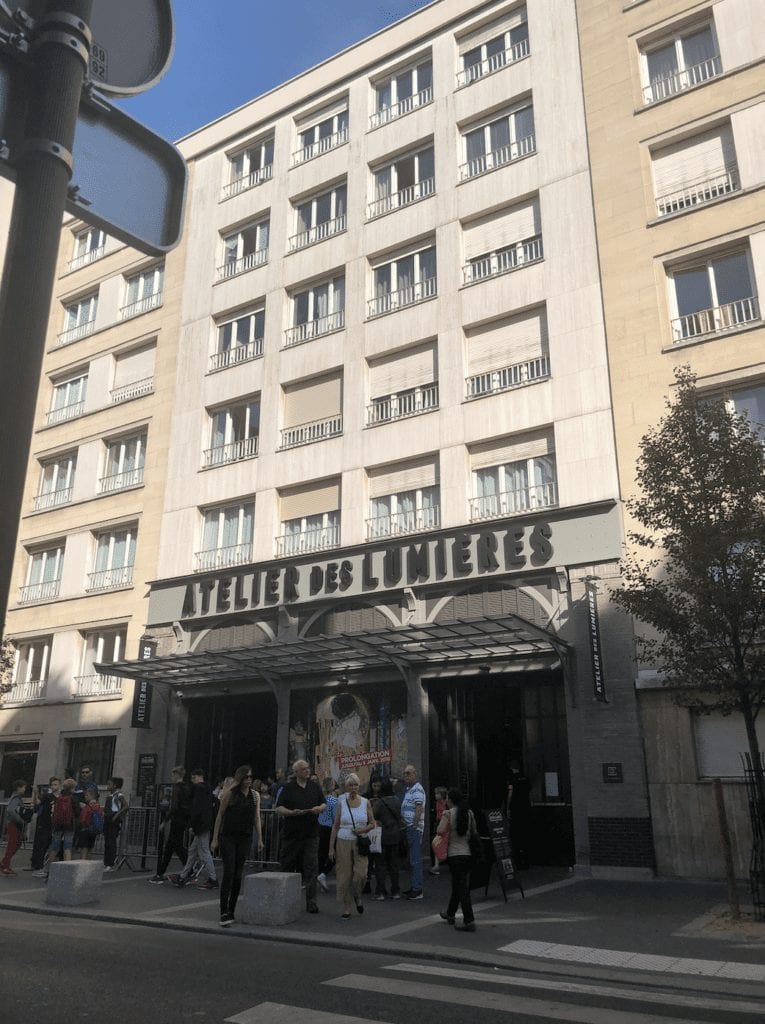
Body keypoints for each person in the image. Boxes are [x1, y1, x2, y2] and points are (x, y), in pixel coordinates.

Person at [211, 765, 262, 926]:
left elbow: (257, 817)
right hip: (229, 836)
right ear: (240, 778)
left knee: (238, 874)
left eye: (250, 777)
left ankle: (231, 909)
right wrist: (215, 838)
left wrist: (259, 837)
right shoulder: (230, 794)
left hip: (245, 836)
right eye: (246, 777)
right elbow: (220, 815)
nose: (248, 780)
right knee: (229, 872)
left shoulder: (255, 796)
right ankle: (223, 911)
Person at [275, 759, 325, 913]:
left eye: (308, 768)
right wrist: (290, 813)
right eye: (303, 769)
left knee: (311, 867)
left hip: (311, 833)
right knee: (287, 865)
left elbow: (324, 803)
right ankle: (284, 899)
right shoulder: (288, 788)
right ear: (296, 772)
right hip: (292, 833)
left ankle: (311, 902)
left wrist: (319, 808)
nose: (307, 771)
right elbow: (279, 808)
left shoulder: (314, 787)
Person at [329, 773, 375, 919]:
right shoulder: (341, 802)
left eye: (356, 785)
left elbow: (372, 823)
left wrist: (362, 830)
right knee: (345, 875)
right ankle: (347, 907)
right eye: (351, 785)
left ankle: (358, 895)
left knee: (361, 874)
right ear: (345, 787)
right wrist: (331, 848)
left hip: (360, 841)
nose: (354, 788)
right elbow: (335, 826)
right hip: (343, 840)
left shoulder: (365, 802)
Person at [170, 768, 218, 890]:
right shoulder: (208, 789)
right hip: (206, 823)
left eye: (193, 778)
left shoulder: (198, 790)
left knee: (204, 852)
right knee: (192, 851)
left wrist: (192, 824)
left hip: (200, 825)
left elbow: (196, 809)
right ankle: (183, 875)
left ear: (197, 777)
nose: (192, 780)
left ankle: (213, 879)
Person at [437, 787, 476, 932]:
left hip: (454, 854)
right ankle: (450, 913)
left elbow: (439, 831)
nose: (446, 800)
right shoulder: (469, 813)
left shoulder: (448, 813)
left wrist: (448, 828)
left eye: (447, 798)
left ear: (451, 800)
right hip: (467, 854)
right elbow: (474, 832)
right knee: (458, 885)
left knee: (461, 888)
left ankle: (469, 920)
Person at [150, 765, 191, 883]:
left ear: (177, 775)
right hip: (183, 820)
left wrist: (164, 822)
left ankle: (188, 870)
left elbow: (174, 807)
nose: (171, 777)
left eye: (173, 775)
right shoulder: (187, 788)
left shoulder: (176, 789)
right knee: (172, 847)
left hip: (176, 820)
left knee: (174, 847)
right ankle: (161, 872)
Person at [37, 778, 81, 876]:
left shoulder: (59, 797)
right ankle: (66, 870)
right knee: (67, 847)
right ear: (72, 788)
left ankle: (48, 869)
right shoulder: (74, 798)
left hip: (58, 825)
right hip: (69, 825)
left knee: (54, 847)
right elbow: (77, 813)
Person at [371, 777, 402, 900]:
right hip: (395, 835)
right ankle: (395, 891)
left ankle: (381, 891)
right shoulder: (396, 800)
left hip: (382, 835)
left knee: (381, 864)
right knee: (394, 864)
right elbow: (399, 815)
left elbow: (373, 815)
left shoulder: (380, 802)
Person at [400, 764, 426, 900]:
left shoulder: (417, 789)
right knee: (412, 859)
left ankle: (417, 889)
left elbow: (418, 808)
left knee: (415, 859)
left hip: (413, 828)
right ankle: (414, 886)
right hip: (410, 827)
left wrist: (414, 825)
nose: (406, 776)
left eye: (409, 773)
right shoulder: (409, 789)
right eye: (405, 773)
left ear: (415, 774)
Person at [30, 777, 60, 872]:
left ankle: (44, 864)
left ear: (59, 785)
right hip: (44, 822)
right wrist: (35, 793)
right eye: (52, 784)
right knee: (41, 843)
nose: (54, 786)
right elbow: (37, 803)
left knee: (51, 844)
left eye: (56, 784)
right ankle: (37, 865)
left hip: (54, 823)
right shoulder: (47, 796)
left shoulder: (61, 797)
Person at [1, 778, 28, 875]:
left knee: (17, 844)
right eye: (23, 787)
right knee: (12, 845)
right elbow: (10, 810)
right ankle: (6, 866)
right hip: (14, 824)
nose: (25, 789)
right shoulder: (16, 798)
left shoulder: (17, 798)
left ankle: (4, 863)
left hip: (15, 824)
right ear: (18, 788)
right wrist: (19, 820)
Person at [316, 776, 338, 893]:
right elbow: (335, 818)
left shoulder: (321, 799)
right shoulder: (334, 801)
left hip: (320, 827)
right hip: (330, 829)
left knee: (321, 854)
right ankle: (323, 874)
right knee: (333, 854)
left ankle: (320, 876)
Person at [103, 777, 128, 871]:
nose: (107, 786)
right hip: (107, 819)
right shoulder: (110, 795)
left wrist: (116, 815)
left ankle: (110, 863)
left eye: (109, 784)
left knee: (111, 842)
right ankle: (106, 863)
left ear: (115, 785)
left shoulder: (118, 794)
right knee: (107, 842)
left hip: (113, 820)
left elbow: (125, 806)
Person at [429, 786, 448, 876]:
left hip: (445, 825)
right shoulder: (435, 803)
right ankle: (436, 865)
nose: (435, 795)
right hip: (438, 824)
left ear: (442, 795)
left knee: (441, 844)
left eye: (437, 794)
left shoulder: (446, 803)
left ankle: (437, 864)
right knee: (437, 843)